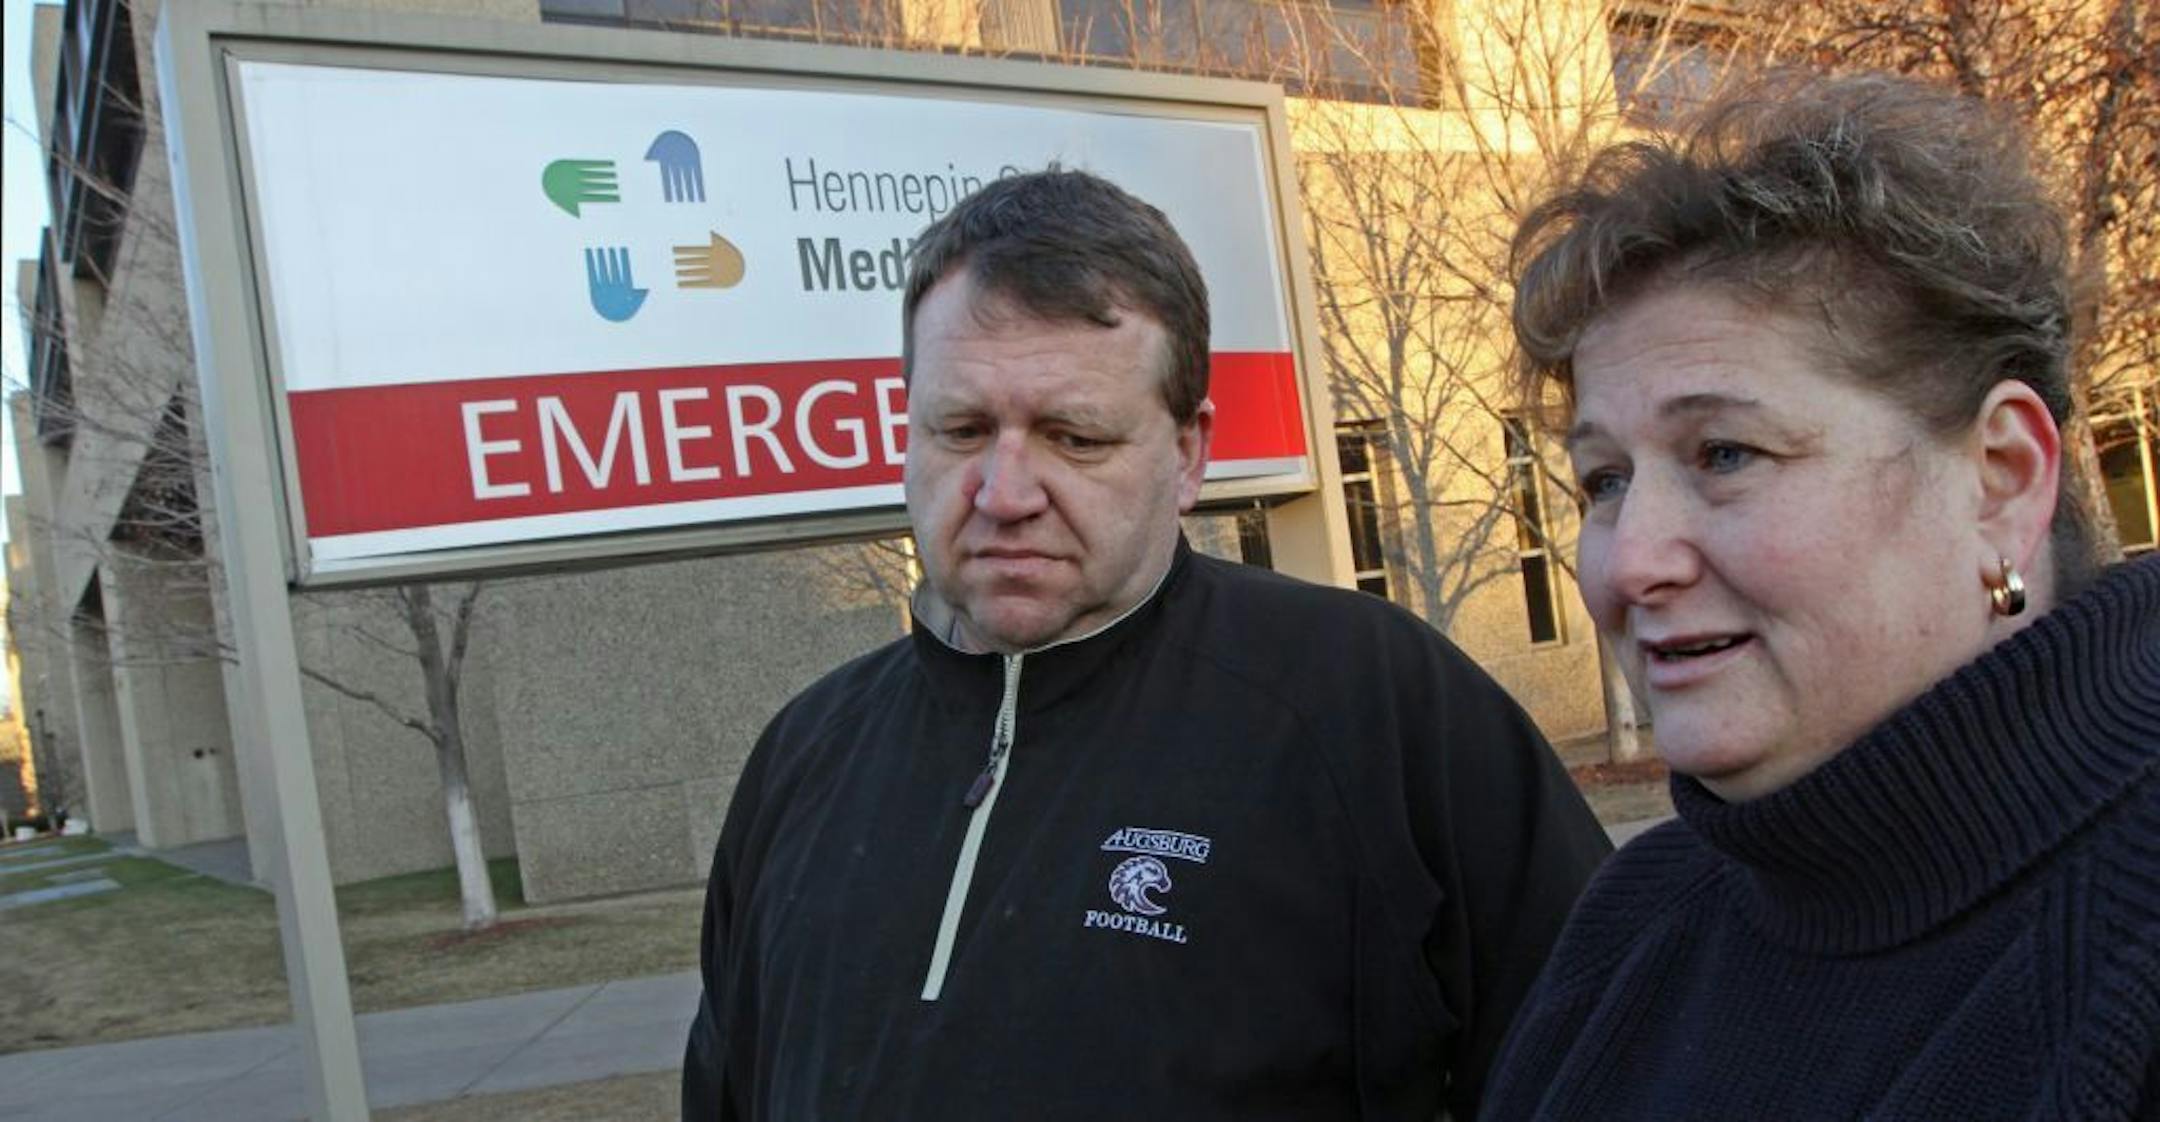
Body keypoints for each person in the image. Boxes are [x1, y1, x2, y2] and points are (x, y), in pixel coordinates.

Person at [682, 169, 1611, 1120]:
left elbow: (1610, 1059)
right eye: (961, 430)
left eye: (1075, 437)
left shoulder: (1372, 704)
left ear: (1189, 452)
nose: (1004, 494)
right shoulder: (806, 754)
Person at [1480, 71, 2160, 1120]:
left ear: (2003, 477)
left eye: (1727, 452)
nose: (1628, 563)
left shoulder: (2123, 964)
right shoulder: (1633, 926)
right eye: (1604, 479)